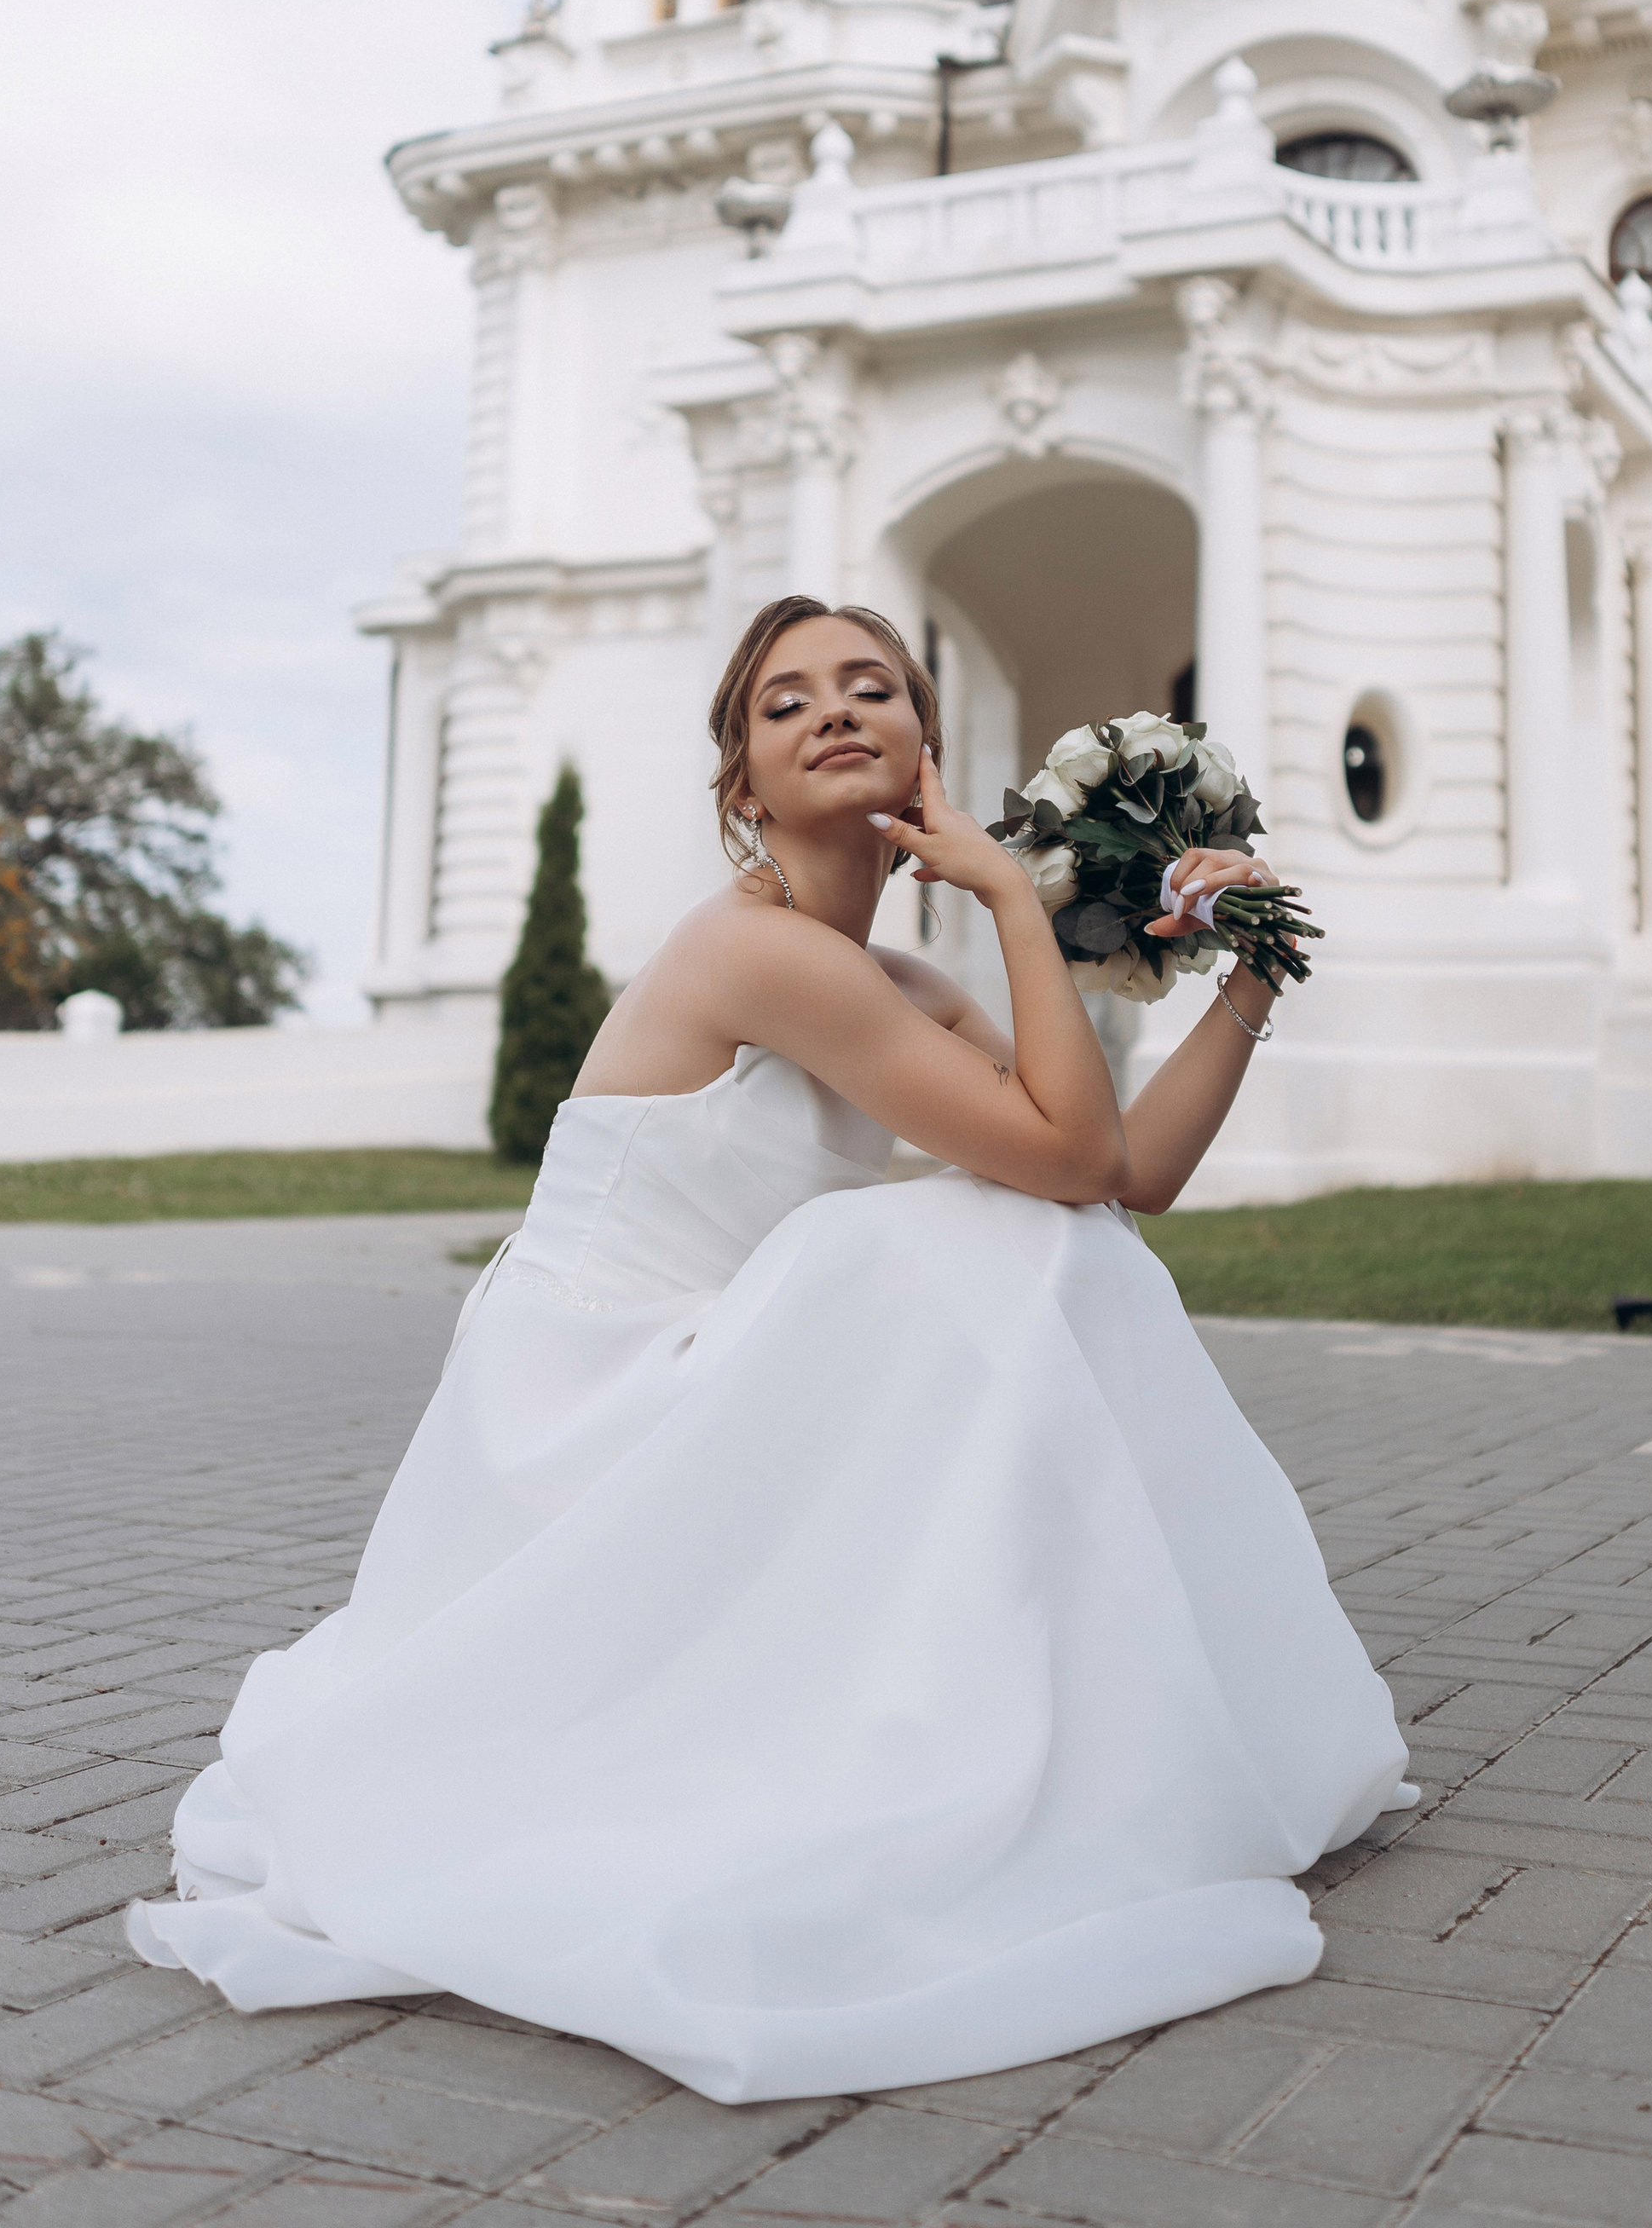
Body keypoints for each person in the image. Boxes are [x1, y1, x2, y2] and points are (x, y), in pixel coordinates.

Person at [128, 597, 1413, 2103]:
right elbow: (1068, 1157)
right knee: (975, 1240)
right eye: (786, 704)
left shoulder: (895, 988)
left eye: (873, 689)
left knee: (1042, 1248)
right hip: (576, 1395)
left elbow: (1127, 1176)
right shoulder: (758, 956)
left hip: (703, 1354)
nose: (835, 714)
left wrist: (1251, 974)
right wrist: (1011, 901)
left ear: (928, 745)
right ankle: (1020, 1714)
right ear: (743, 780)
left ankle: (1063, 1710)